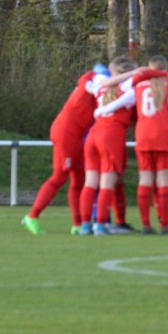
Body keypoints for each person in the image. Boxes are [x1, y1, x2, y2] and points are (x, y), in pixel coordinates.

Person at [96, 55, 168, 233]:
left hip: (143, 135)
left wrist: (101, 111)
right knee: (163, 181)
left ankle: (146, 225)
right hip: (164, 135)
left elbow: (121, 101)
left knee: (145, 180)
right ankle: (164, 225)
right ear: (166, 68)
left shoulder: (139, 84)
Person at [23, 63, 110, 235]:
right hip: (66, 133)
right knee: (60, 175)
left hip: (76, 135)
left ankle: (77, 224)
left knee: (79, 178)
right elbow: (91, 83)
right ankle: (32, 216)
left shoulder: (91, 84)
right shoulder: (92, 82)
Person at [84, 58, 139, 233]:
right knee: (107, 183)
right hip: (111, 135)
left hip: (93, 134)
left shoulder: (100, 87)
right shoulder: (128, 89)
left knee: (90, 183)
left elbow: (88, 83)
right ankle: (101, 225)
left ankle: (85, 225)